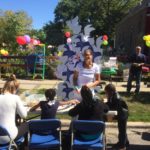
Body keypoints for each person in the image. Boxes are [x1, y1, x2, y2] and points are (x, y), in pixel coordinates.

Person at [0, 75, 27, 144]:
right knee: (26, 125)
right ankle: (24, 147)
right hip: (8, 136)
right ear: (15, 88)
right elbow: (24, 116)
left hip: (2, 133)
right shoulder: (15, 98)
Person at [104, 84, 129, 149]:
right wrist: (104, 103)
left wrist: (105, 106)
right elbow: (110, 103)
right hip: (121, 113)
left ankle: (122, 145)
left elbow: (113, 107)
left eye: (106, 92)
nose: (106, 93)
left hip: (123, 114)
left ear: (110, 91)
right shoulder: (113, 95)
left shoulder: (116, 98)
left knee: (122, 130)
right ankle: (125, 141)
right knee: (122, 129)